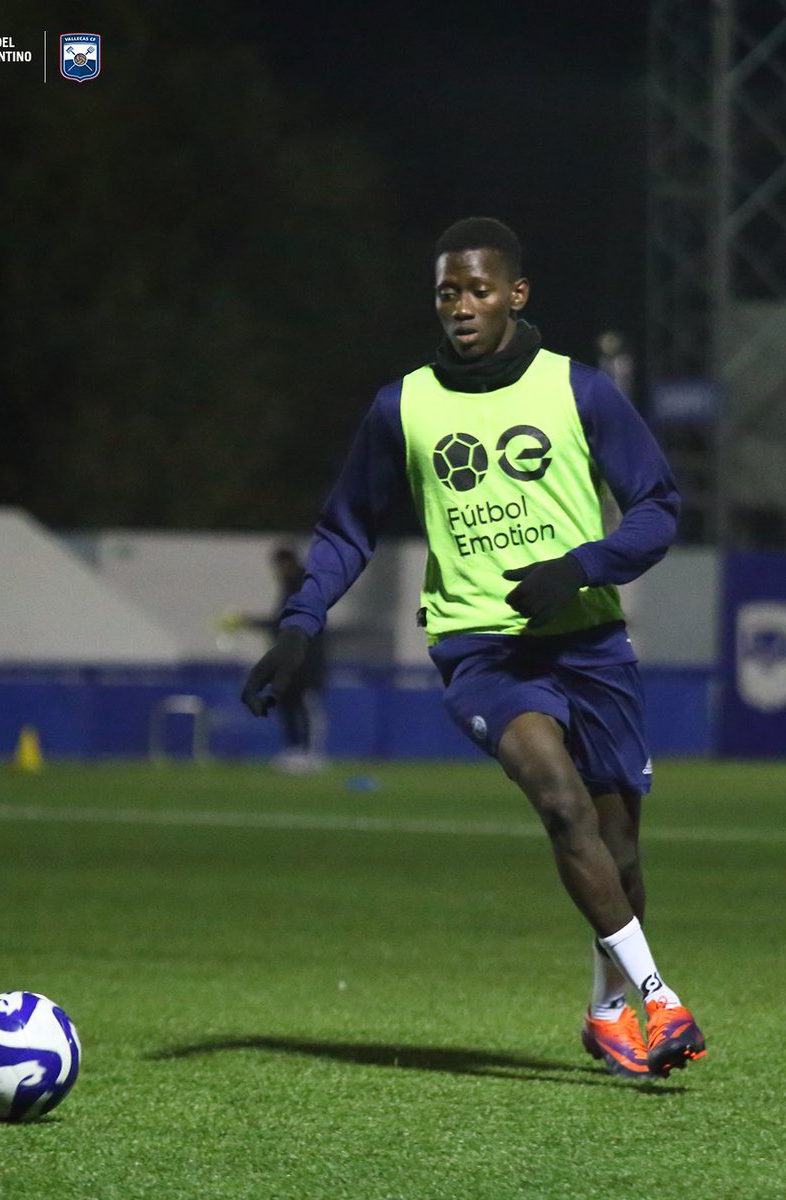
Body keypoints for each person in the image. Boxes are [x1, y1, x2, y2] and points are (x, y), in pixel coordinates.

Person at [241, 217, 706, 1079]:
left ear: (516, 295)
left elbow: (659, 507)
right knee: (561, 805)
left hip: (591, 639)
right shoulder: (403, 405)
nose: (461, 306)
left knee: (622, 852)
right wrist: (302, 621)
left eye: (479, 290)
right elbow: (346, 526)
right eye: (447, 292)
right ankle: (660, 1000)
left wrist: (582, 566)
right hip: (480, 650)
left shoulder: (583, 392)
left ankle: (607, 1013)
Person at [230, 546, 327, 771]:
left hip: (305, 659)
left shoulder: (303, 587)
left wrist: (249, 622)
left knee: (304, 705)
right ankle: (294, 751)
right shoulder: (290, 587)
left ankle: (310, 754)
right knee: (286, 703)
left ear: (287, 563)